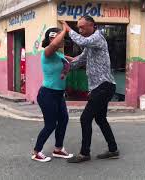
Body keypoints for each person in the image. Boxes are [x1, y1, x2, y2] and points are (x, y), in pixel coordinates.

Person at [60, 16, 119, 163]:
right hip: (102, 87)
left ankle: (84, 153)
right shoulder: (90, 45)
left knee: (85, 118)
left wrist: (68, 30)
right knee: (100, 119)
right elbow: (79, 60)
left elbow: (81, 40)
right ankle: (113, 149)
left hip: (103, 86)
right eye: (78, 27)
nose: (80, 30)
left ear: (92, 26)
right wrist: (64, 60)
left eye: (82, 27)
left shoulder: (97, 38)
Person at [31, 26, 73, 162]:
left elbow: (75, 60)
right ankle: (36, 151)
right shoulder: (47, 52)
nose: (64, 40)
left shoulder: (60, 55)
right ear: (52, 37)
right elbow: (54, 44)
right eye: (61, 37)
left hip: (59, 94)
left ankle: (58, 149)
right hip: (47, 94)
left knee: (63, 120)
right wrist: (65, 30)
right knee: (50, 124)